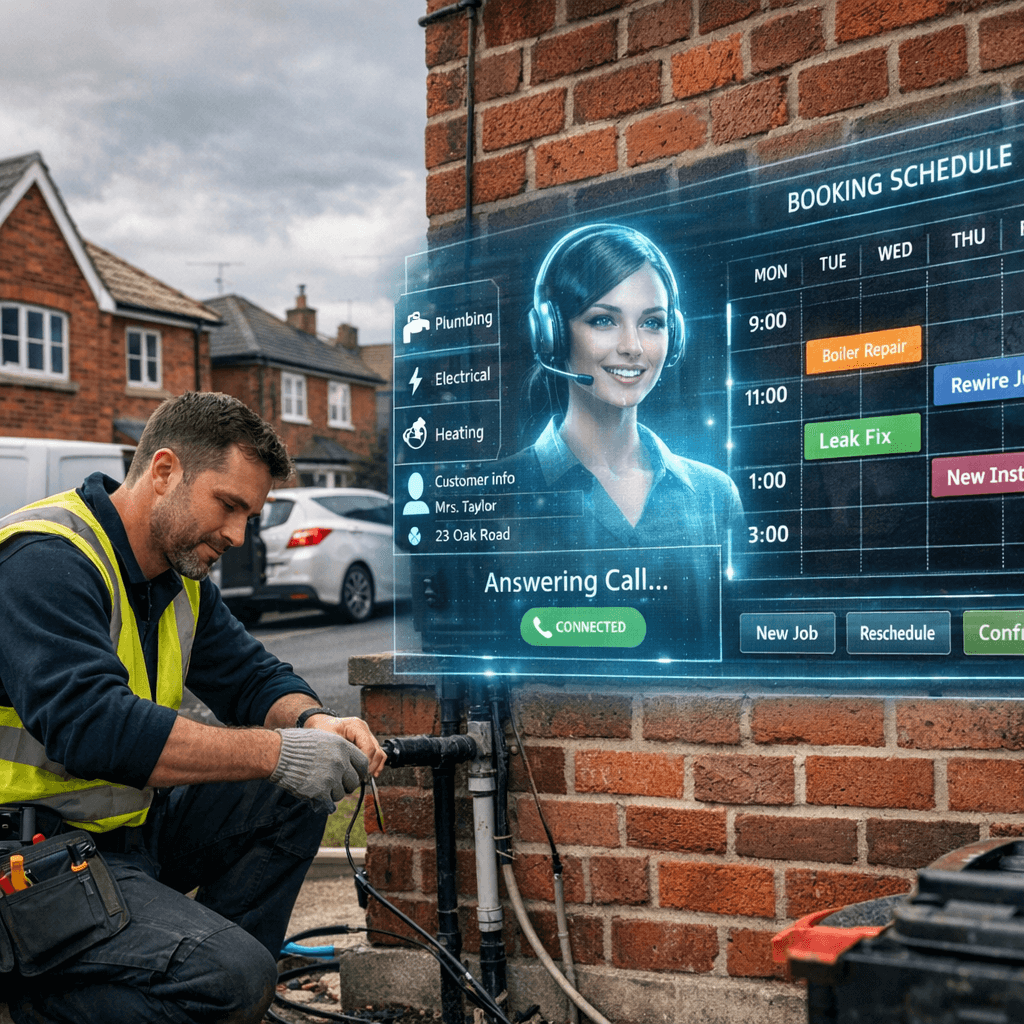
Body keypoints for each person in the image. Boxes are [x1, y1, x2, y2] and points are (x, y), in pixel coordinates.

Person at [0, 391, 386, 1024]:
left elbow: (255, 678)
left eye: (249, 516)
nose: (236, 535)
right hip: (28, 862)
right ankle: (32, 1007)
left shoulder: (177, 581)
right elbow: (94, 728)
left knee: (292, 795)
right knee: (230, 979)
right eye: (228, 505)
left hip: (120, 844)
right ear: (164, 471)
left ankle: (197, 981)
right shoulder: (45, 560)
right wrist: (278, 752)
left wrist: (318, 725)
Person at [505, 223, 745, 654]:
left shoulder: (716, 496)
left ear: (674, 337)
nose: (633, 346)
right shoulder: (500, 494)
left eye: (652, 323)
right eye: (603, 320)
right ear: (552, 334)